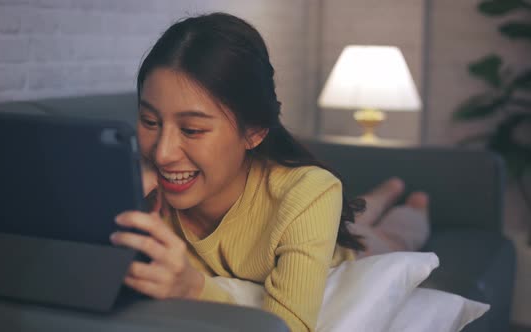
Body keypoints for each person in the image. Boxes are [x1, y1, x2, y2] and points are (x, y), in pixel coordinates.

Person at [109, 12, 427, 332]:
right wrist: (121, 198)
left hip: (344, 247)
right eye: (150, 122)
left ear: (255, 131)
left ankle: (410, 203)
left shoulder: (307, 193)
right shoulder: (142, 189)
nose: (162, 154)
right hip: (314, 218)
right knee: (357, 211)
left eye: (191, 129)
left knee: (394, 234)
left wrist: (194, 288)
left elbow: (287, 327)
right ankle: (380, 195)